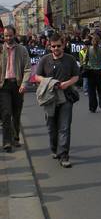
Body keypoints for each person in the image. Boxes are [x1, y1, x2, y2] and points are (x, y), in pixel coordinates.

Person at [35, 34, 80, 168]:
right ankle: (54, 148)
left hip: (66, 97)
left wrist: (67, 83)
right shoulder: (45, 60)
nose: (56, 48)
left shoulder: (70, 59)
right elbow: (37, 76)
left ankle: (64, 155)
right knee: (51, 127)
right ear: (50, 46)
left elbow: (76, 76)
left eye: (58, 46)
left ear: (64, 45)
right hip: (49, 98)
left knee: (64, 127)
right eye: (53, 46)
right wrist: (50, 82)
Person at [0, 25, 31, 152]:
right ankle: (7, 141)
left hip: (17, 85)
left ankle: (15, 137)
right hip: (4, 86)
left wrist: (24, 84)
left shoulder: (22, 50)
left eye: (10, 35)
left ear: (15, 35)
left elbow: (28, 68)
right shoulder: (0, 50)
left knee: (16, 114)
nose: (8, 38)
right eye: (6, 36)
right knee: (6, 113)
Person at [86, 36, 101, 113]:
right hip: (99, 71)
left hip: (91, 72)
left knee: (91, 91)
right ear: (99, 42)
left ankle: (92, 107)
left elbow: (86, 60)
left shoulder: (89, 49)